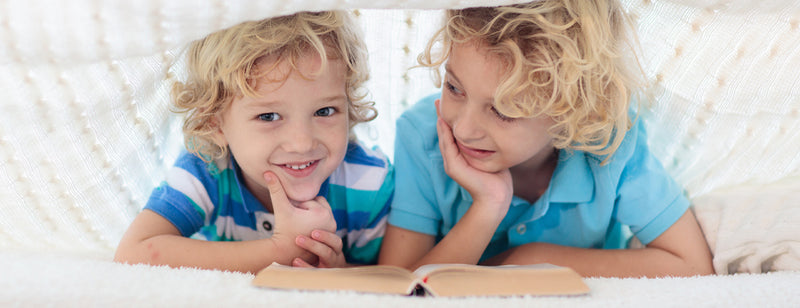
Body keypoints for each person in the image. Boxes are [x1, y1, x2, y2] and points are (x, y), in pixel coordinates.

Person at [378, 0, 713, 278]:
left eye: (503, 111)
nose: (463, 129)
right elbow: (396, 285)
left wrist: (528, 259)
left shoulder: (609, 143)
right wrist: (487, 207)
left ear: (574, 109)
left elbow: (692, 263)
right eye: (454, 87)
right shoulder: (423, 135)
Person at [114, 11, 393, 274]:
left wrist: (340, 271)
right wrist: (279, 251)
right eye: (269, 116)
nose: (302, 143)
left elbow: (401, 276)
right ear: (215, 123)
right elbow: (133, 252)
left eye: (324, 111)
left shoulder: (370, 181)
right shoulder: (207, 169)